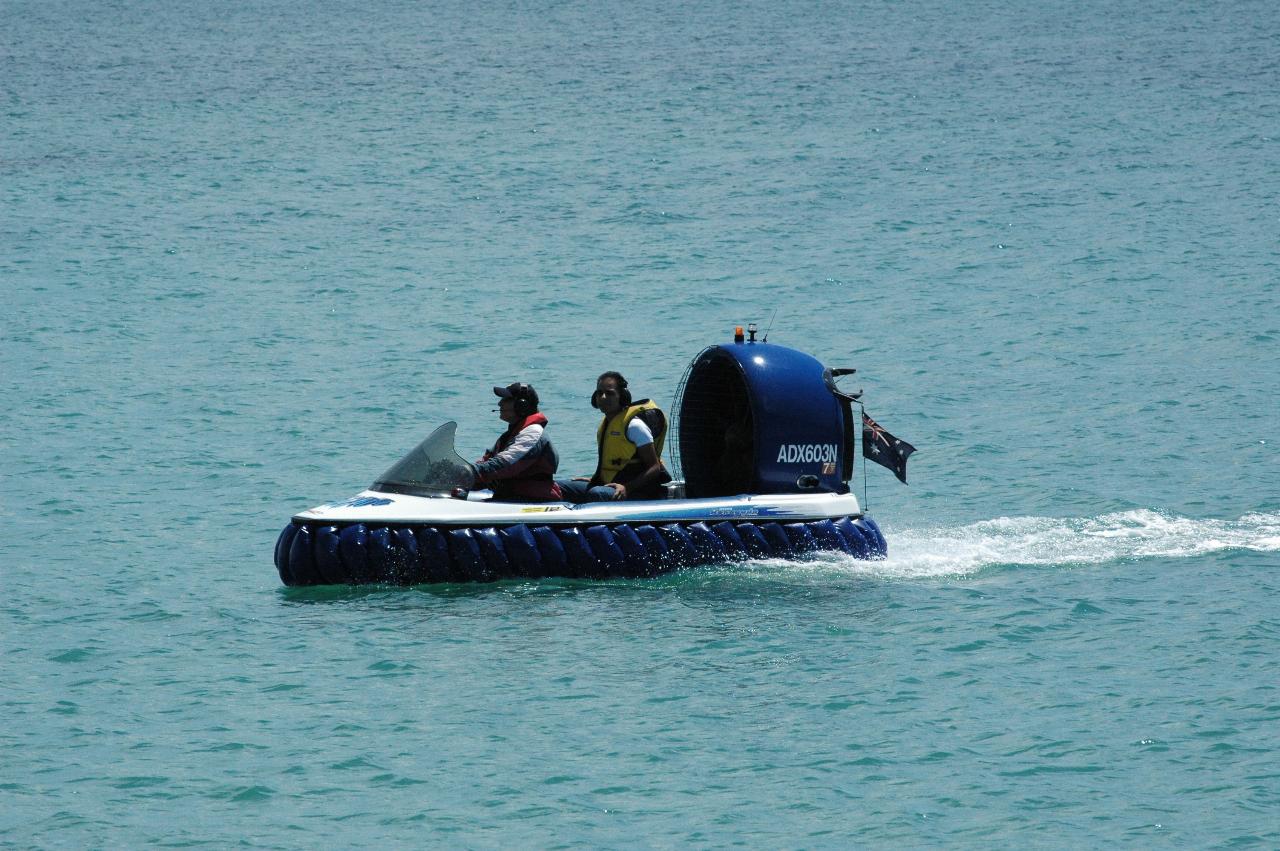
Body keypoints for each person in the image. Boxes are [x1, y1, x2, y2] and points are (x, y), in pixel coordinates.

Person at [558, 371, 670, 502]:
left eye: (610, 393)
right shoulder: (607, 424)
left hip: (637, 491)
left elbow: (655, 467)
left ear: (622, 397)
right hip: (608, 486)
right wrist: (596, 479)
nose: (603, 397)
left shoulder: (634, 426)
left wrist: (626, 488)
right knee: (558, 487)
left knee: (596, 493)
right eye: (599, 393)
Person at [473, 382, 562, 502]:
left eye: (506, 399)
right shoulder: (509, 436)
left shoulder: (532, 433)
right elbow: (486, 462)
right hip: (512, 497)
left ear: (522, 405)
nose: (500, 403)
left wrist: (468, 472)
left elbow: (503, 464)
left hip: (533, 501)